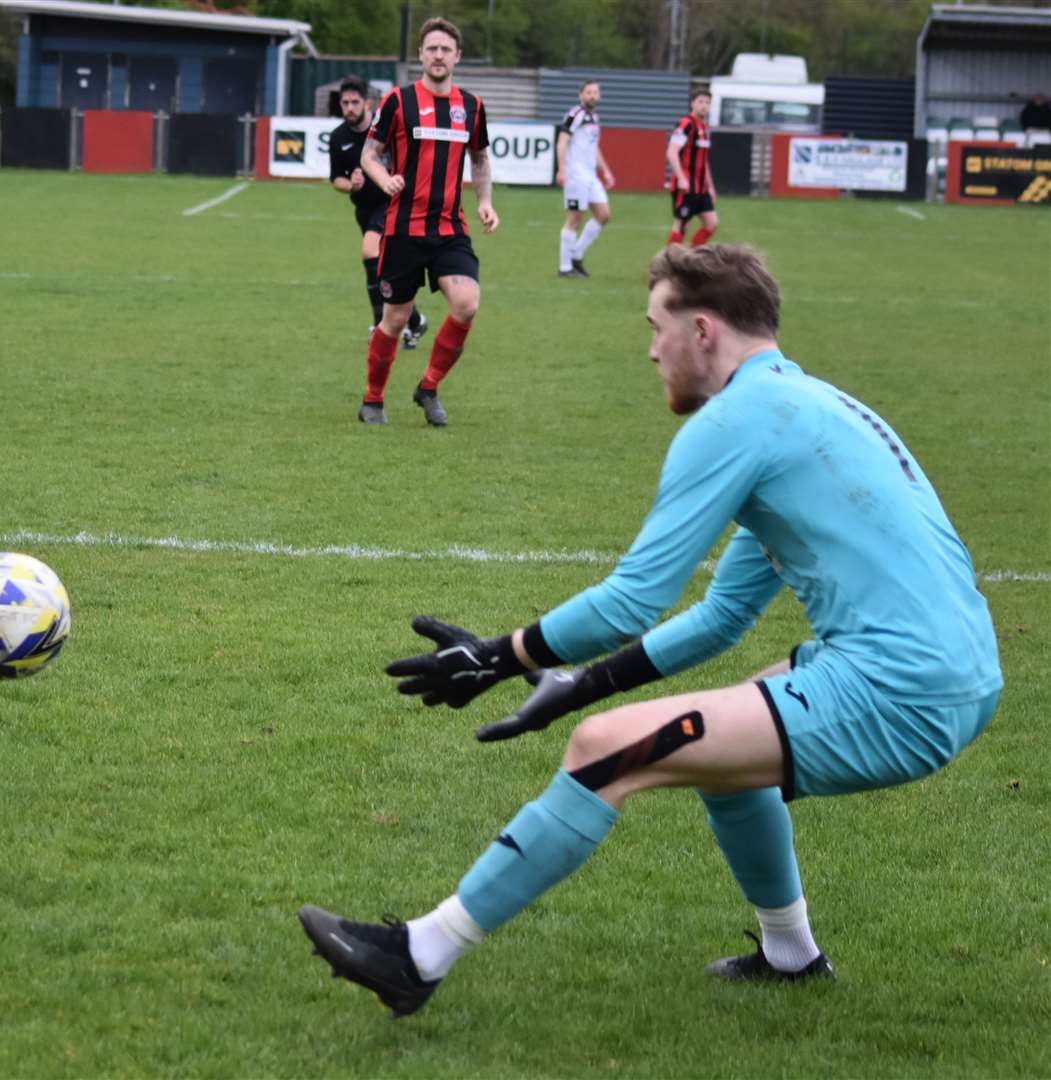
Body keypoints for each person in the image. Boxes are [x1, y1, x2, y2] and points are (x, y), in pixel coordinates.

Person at [299, 243, 1001, 1016]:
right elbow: (720, 617)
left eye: (655, 326)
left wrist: (499, 657)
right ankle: (790, 957)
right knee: (719, 756)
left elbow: (632, 600)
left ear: (702, 329)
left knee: (604, 750)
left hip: (901, 689)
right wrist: (575, 683)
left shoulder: (738, 419)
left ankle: (419, 955)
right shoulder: (803, 408)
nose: (649, 348)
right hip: (953, 674)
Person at [354, 17, 498, 428]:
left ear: (458, 57)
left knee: (467, 304)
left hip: (450, 229)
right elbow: (369, 154)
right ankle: (373, 399)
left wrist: (485, 202)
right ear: (421, 55)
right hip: (403, 230)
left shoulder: (472, 106)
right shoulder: (399, 101)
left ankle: (429, 387)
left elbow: (481, 159)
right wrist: (385, 179)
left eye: (446, 49)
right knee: (395, 320)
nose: (438, 55)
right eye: (431, 48)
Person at [329, 75, 427, 351]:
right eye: (344, 102)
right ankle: (416, 320)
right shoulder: (338, 138)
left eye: (354, 102)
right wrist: (352, 184)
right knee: (386, 272)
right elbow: (336, 179)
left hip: (392, 203)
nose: (349, 107)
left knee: (370, 252)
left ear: (367, 103)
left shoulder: (384, 128)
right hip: (364, 209)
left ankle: (378, 326)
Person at [556, 80, 615, 278]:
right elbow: (562, 142)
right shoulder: (575, 114)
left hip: (590, 176)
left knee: (604, 215)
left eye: (595, 92)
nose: (592, 96)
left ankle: (577, 254)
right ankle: (565, 268)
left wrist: (605, 171)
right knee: (574, 220)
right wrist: (562, 170)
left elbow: (594, 148)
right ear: (581, 95)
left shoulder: (593, 118)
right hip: (575, 175)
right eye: (588, 92)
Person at [666, 90, 717, 247]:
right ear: (692, 103)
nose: (704, 106)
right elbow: (671, 151)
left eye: (707, 102)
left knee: (711, 224)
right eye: (700, 101)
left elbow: (704, 161)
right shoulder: (686, 124)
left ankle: (690, 259)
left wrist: (711, 187)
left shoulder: (705, 128)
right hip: (686, 187)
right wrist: (681, 178)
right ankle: (669, 266)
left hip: (701, 188)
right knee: (682, 225)